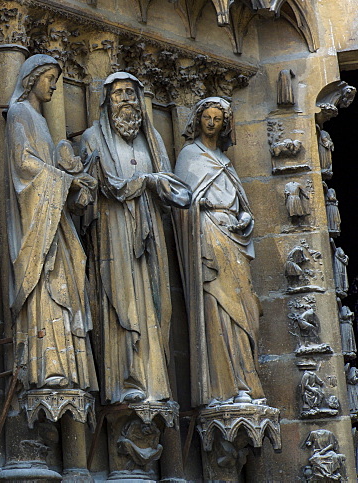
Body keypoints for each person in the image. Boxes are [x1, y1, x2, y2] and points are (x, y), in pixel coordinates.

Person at [80, 72, 190, 404]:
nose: (127, 99)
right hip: (112, 233)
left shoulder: (152, 140)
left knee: (155, 306)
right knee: (121, 302)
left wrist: (160, 184)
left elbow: (177, 189)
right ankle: (124, 379)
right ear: (106, 101)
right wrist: (147, 181)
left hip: (150, 233)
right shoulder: (92, 138)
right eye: (119, 94)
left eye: (131, 92)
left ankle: (154, 381)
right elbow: (100, 186)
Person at [5, 54, 97, 392]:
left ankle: (66, 364)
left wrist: (72, 178)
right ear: (32, 79)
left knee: (68, 277)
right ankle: (47, 364)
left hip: (52, 216)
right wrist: (65, 181)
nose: (55, 85)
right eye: (50, 78)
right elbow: (24, 165)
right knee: (48, 283)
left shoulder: (39, 120)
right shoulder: (20, 114)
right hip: (36, 221)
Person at [174, 96, 265, 407]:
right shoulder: (189, 156)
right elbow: (182, 203)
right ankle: (222, 385)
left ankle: (246, 382)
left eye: (217, 119)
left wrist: (245, 217)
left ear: (225, 125)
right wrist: (204, 211)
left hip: (233, 239)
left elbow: (243, 205)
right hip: (208, 234)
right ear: (198, 120)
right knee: (217, 307)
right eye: (207, 117)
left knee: (245, 309)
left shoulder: (226, 163)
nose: (211, 123)